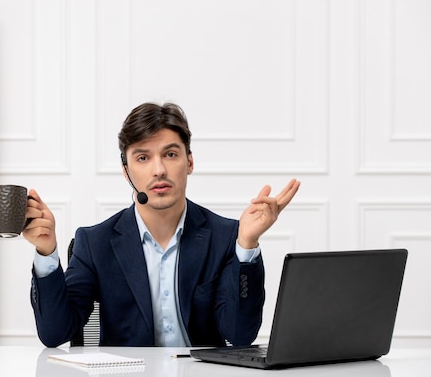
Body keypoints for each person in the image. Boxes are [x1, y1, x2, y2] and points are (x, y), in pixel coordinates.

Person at [23, 102, 300, 347]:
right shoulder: (95, 243)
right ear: (126, 171)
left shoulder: (226, 236)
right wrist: (47, 253)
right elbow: (55, 334)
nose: (159, 170)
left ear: (189, 162)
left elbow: (240, 335)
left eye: (170, 154)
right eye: (143, 158)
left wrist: (246, 245)